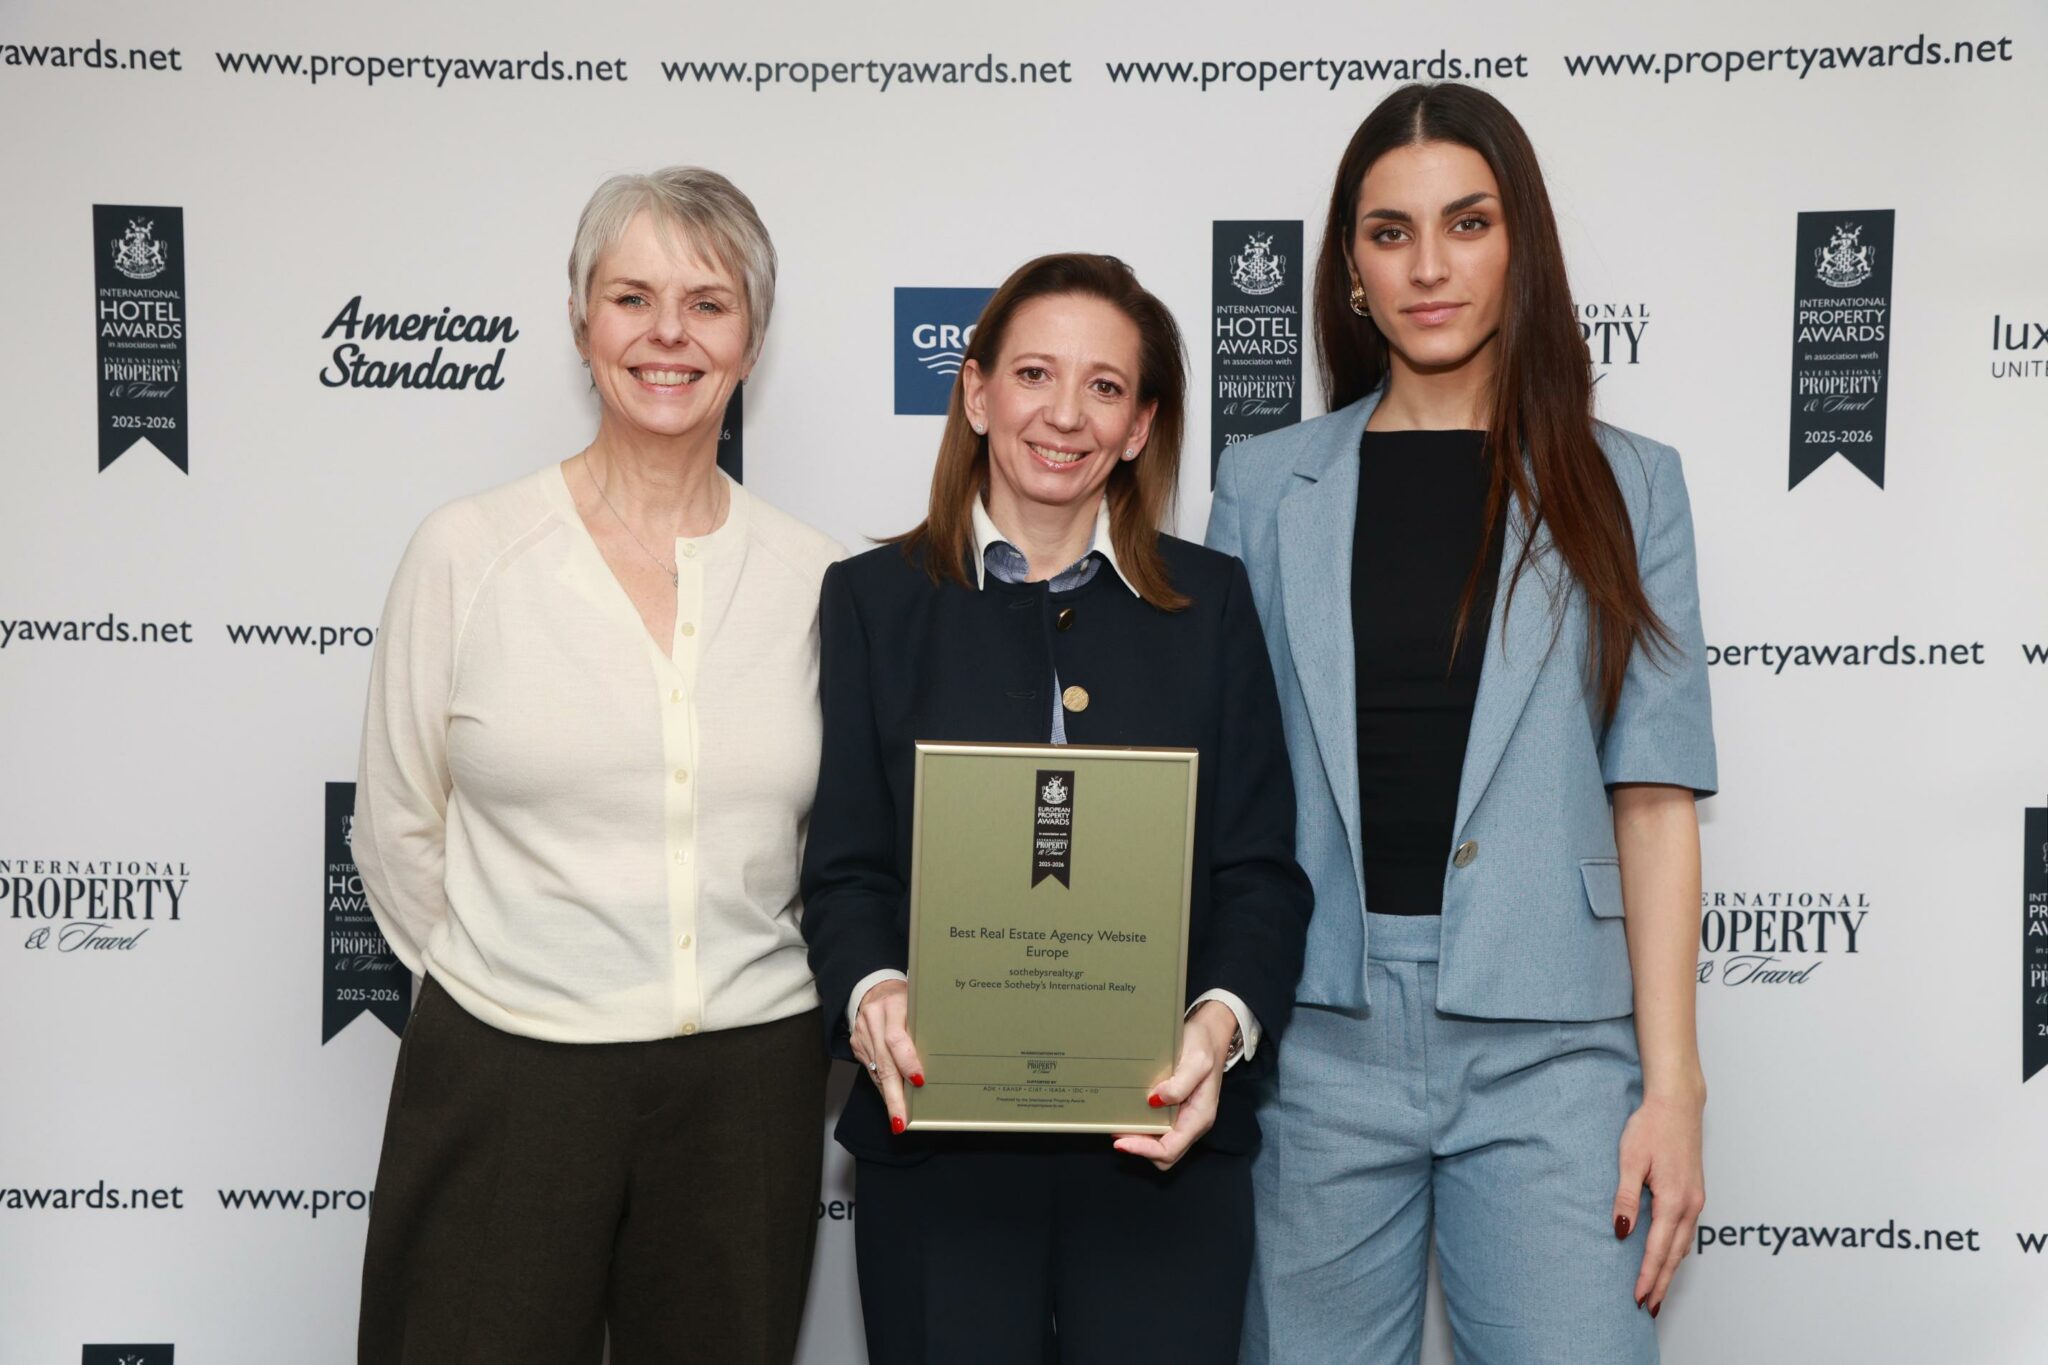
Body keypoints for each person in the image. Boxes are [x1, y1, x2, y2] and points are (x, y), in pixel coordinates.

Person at [1209, 83, 1717, 1364]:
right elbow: (1225, 791)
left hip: (1554, 1050)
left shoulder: (1629, 484)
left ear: (1517, 244)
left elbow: (1652, 800)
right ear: (1349, 268)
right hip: (1312, 1039)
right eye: (1389, 232)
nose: (1427, 267)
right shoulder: (1261, 487)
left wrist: (1674, 1088)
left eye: (1466, 223)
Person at [349, 166, 842, 1365]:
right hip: (506, 1071)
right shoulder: (467, 552)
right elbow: (397, 822)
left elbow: (838, 847)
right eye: (631, 298)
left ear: (751, 340)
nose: (668, 333)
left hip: (747, 1085)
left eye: (707, 303)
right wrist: (516, 980)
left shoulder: (819, 579)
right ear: (581, 325)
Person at [799, 252, 1312, 1365]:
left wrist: (1216, 1030)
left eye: (1105, 387)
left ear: (1139, 428)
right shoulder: (872, 601)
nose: (1065, 414)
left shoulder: (1212, 603)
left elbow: (1260, 874)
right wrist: (876, 992)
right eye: (1034, 373)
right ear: (976, 392)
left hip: (1162, 1148)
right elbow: (844, 871)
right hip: (936, 1154)